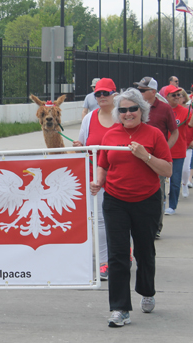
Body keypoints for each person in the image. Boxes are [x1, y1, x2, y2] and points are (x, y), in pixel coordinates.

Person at [91, 88, 172, 327]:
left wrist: (145, 156)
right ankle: (120, 309)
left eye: (133, 109)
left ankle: (147, 291)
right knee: (117, 256)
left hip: (146, 201)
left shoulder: (153, 134)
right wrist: (98, 182)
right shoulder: (110, 135)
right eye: (123, 110)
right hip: (115, 201)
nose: (128, 114)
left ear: (142, 110)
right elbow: (103, 164)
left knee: (144, 252)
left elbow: (167, 170)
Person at [73, 78, 117, 280]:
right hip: (95, 179)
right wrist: (77, 146)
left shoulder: (123, 116)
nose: (101, 97)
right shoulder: (89, 118)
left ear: (113, 94)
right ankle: (104, 263)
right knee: (99, 220)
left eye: (105, 93)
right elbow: (82, 143)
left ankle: (125, 249)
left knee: (122, 220)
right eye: (98, 94)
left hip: (120, 177)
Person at [134, 76, 178, 237]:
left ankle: (155, 227)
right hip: (135, 157)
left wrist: (165, 149)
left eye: (143, 90)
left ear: (153, 92)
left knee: (157, 193)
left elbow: (175, 132)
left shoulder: (165, 109)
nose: (139, 92)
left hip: (155, 159)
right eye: (139, 89)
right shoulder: (133, 107)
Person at [163, 84, 190, 215]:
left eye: (178, 95)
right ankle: (161, 202)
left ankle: (172, 206)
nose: (177, 97)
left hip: (178, 151)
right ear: (166, 97)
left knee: (175, 180)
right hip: (163, 150)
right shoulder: (163, 110)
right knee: (160, 180)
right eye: (173, 95)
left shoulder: (185, 111)